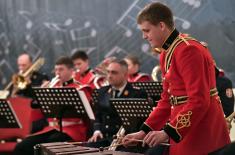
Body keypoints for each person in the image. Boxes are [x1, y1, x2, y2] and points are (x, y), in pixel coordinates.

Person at [122, 2, 230, 155]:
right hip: (183, 131)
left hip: (202, 134)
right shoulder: (167, 52)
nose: (144, 36)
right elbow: (167, 99)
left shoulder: (188, 50)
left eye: (147, 30)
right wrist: (144, 131)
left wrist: (168, 132)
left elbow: (199, 100)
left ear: (161, 25)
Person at [13, 56, 92, 155]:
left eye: (61, 69)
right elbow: (35, 105)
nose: (57, 73)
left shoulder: (81, 89)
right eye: (56, 70)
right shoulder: (53, 87)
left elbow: (88, 116)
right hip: (52, 129)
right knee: (22, 146)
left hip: (73, 131)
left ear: (71, 70)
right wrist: (41, 92)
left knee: (49, 144)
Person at [87, 59, 148, 150]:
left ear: (125, 75)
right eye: (108, 72)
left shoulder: (137, 94)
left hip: (124, 142)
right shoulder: (102, 91)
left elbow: (139, 123)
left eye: (114, 73)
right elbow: (97, 116)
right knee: (83, 149)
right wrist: (97, 130)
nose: (109, 76)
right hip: (104, 139)